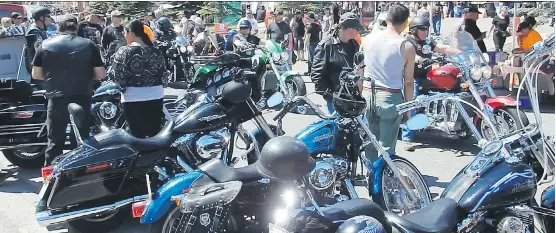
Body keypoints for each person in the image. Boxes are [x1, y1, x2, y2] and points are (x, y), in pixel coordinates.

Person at [31, 15, 105, 166]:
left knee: (54, 142)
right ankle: (79, 174)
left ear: (59, 28)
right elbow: (100, 74)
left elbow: (36, 74)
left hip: (56, 99)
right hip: (81, 97)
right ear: (75, 29)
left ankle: (50, 176)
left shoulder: (45, 44)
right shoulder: (88, 44)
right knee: (80, 140)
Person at [361, 4, 415, 162]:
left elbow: (359, 69)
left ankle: (370, 174)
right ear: (406, 23)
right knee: (387, 147)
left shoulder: (368, 39)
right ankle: (383, 178)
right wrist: (408, 108)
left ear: (387, 19)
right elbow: (409, 82)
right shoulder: (406, 46)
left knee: (370, 142)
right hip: (390, 97)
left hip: (367, 93)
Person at [400, 16, 461, 151]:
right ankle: (406, 138)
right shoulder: (408, 42)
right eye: (422, 29)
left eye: (426, 29)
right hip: (412, 78)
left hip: (426, 76)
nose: (425, 31)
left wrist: (460, 53)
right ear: (414, 30)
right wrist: (419, 59)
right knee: (412, 106)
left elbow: (441, 48)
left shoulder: (427, 42)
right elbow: (411, 56)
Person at [110, 19, 166, 139]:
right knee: (154, 134)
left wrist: (123, 88)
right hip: (156, 94)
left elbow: (117, 76)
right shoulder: (156, 51)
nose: (124, 36)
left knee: (137, 135)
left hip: (132, 96)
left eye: (125, 33)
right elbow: (164, 75)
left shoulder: (124, 51)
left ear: (130, 32)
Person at [311, 12, 363, 114]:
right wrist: (330, 94)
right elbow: (316, 75)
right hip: (335, 98)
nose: (358, 32)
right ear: (350, 29)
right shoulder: (327, 45)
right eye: (357, 29)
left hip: (352, 96)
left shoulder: (355, 45)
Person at [25, 6, 51, 89]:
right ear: (41, 18)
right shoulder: (34, 31)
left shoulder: (40, 30)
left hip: (41, 66)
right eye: (48, 16)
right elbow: (39, 50)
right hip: (38, 68)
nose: (50, 18)